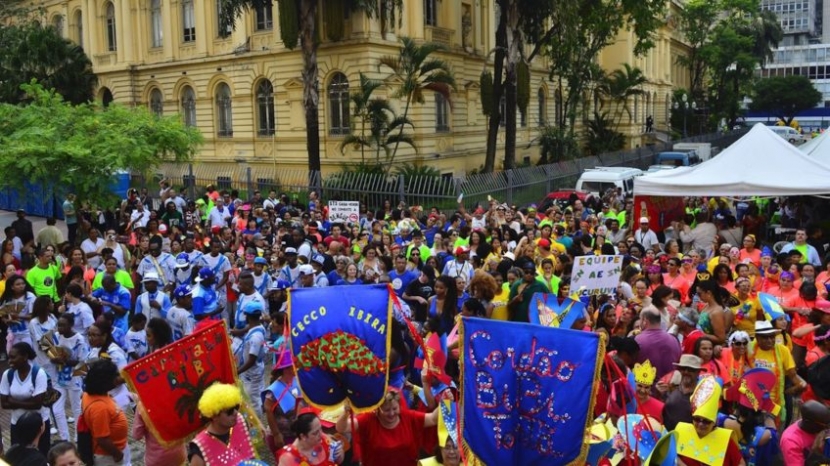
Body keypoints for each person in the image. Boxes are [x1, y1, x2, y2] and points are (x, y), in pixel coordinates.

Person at [336, 389, 439, 466]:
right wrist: (346, 413)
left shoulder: (408, 417)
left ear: (400, 406)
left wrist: (447, 401)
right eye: (386, 410)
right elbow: (341, 428)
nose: (391, 413)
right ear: (378, 409)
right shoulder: (368, 420)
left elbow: (433, 419)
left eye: (395, 409)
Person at [673, 376, 745, 466]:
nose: (700, 424)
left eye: (706, 421)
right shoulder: (681, 432)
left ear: (714, 421)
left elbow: (741, 463)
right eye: (697, 419)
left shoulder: (725, 439)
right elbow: (671, 456)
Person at [0, 342, 51, 456]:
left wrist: (13, 401)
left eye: (13, 357)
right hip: (17, 424)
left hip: (39, 425)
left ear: (25, 357)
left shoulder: (38, 373)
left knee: (41, 456)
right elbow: (4, 404)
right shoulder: (7, 375)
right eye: (9, 358)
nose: (10, 361)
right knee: (19, 457)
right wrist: (29, 401)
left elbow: (37, 404)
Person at [188, 383, 256, 466]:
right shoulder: (200, 446)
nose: (235, 413)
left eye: (236, 407)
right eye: (229, 411)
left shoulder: (240, 423)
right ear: (214, 416)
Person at [82, 359, 128, 466]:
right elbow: (102, 438)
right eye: (114, 377)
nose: (117, 379)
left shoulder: (92, 394)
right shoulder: (99, 407)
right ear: (104, 381)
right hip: (108, 458)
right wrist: (117, 454)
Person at [276, 410, 344, 465]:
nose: (321, 434)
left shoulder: (323, 439)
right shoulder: (289, 457)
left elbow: (338, 461)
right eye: (315, 433)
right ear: (303, 436)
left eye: (320, 429)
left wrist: (339, 454)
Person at [236, 301, 267, 415]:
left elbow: (251, 360)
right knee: (256, 395)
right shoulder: (259, 327)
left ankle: (258, 425)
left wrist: (237, 371)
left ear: (247, 316)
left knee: (254, 401)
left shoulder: (255, 337)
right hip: (253, 371)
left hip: (252, 373)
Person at [635, 309, 681, 383]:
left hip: (645, 389)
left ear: (644, 321)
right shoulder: (674, 340)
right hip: (669, 387)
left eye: (640, 320)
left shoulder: (637, 340)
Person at [780, 400, 830, 465]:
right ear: (809, 422)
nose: (827, 428)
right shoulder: (791, 441)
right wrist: (816, 453)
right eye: (825, 425)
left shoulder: (815, 425)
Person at [663, 354, 703, 431]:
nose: (686, 372)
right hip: (667, 437)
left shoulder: (701, 395)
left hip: (688, 439)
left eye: (691, 369)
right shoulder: (670, 387)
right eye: (683, 368)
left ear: (698, 372)